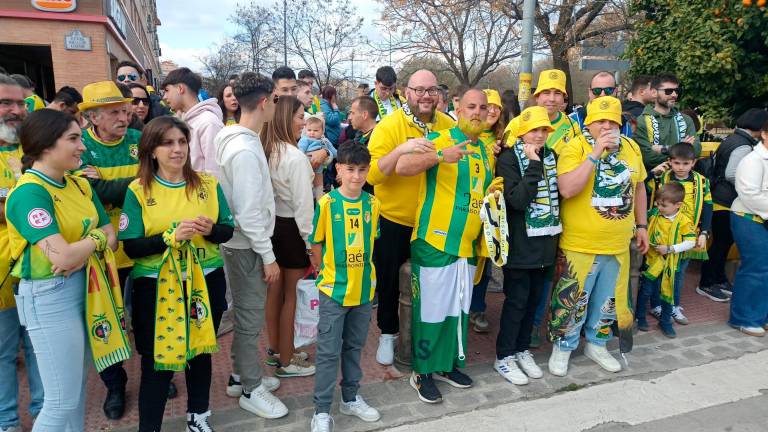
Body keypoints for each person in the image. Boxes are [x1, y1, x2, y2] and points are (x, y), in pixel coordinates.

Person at [119, 116, 233, 432]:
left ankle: (198, 417)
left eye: (182, 141)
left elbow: (227, 229)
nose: (177, 149)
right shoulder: (138, 190)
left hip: (205, 279)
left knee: (201, 351)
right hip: (156, 285)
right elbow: (132, 247)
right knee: (156, 361)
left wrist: (211, 230)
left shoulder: (208, 184)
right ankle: (150, 427)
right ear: (151, 150)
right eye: (167, 143)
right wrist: (167, 237)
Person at [7, 109, 118, 431]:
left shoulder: (79, 185)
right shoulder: (29, 193)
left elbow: (111, 236)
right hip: (49, 297)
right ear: (44, 144)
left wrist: (88, 242)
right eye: (73, 138)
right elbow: (65, 257)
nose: (82, 146)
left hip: (85, 289)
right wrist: (93, 240)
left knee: (76, 391)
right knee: (60, 402)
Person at [396, 88, 495, 404]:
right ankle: (422, 371)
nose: (477, 112)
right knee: (431, 311)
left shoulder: (485, 151)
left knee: (457, 310)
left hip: (466, 246)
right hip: (434, 241)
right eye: (471, 107)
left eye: (482, 107)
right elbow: (402, 167)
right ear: (457, 107)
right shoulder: (440, 138)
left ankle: (448, 365)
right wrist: (440, 156)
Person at [548, 96, 649, 377]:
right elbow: (567, 189)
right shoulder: (575, 147)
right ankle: (564, 346)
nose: (607, 126)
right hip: (581, 244)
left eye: (612, 121)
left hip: (617, 243)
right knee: (572, 300)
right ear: (588, 124)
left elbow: (639, 187)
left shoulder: (631, 147)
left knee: (608, 301)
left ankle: (598, 343)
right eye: (600, 121)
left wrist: (642, 225)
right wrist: (595, 153)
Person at [366, 69, 455, 366]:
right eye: (419, 90)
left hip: (434, 220)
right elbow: (373, 173)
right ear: (406, 92)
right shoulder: (389, 126)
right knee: (390, 282)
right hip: (395, 219)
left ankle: (424, 336)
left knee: (430, 283)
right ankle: (388, 334)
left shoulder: (447, 124)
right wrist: (401, 152)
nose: (426, 96)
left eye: (432, 90)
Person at [214, 72, 288, 419]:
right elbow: (247, 213)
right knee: (249, 316)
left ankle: (242, 373)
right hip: (246, 246)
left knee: (248, 313)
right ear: (264, 102)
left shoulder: (236, 137)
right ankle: (250, 388)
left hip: (243, 244)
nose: (277, 105)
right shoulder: (243, 148)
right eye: (274, 99)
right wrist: (268, 256)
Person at [77, 80, 142, 419]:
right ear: (93, 118)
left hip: (143, 246)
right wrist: (136, 184)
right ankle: (115, 386)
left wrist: (106, 185)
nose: (124, 116)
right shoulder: (79, 146)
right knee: (108, 322)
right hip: (104, 252)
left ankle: (156, 375)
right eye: (114, 112)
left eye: (125, 109)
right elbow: (89, 193)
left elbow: (157, 178)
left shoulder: (139, 139)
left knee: (148, 318)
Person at [309, 142, 382, 432]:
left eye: (362, 170)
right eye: (350, 169)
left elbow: (371, 242)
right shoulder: (327, 204)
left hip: (363, 293)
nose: (356, 176)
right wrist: (324, 274)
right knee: (328, 352)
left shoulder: (373, 204)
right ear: (338, 169)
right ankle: (321, 410)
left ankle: (350, 397)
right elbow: (316, 244)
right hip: (334, 292)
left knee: (354, 347)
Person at [494, 106, 558, 385]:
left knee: (534, 302)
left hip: (547, 241)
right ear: (522, 132)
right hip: (520, 243)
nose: (540, 135)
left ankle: (521, 350)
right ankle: (504, 356)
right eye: (535, 130)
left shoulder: (552, 157)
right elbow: (517, 200)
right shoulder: (508, 159)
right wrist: (533, 165)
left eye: (544, 129)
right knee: (517, 302)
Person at [260, 96, 316, 377]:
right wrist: (311, 244)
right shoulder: (293, 157)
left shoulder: (267, 150)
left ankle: (276, 349)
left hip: (273, 227)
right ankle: (287, 359)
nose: (304, 123)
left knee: (276, 292)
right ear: (285, 119)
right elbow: (304, 207)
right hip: (292, 229)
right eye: (300, 116)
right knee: (291, 295)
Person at [0, 74, 42, 432]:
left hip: (36, 268)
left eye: (21, 104)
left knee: (38, 349)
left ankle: (46, 416)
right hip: (1, 278)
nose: (16, 111)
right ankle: (7, 422)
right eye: (5, 103)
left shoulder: (30, 146)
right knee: (2, 352)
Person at [698, 108, 768, 301]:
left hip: (721, 198)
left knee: (723, 243)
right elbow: (731, 173)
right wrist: (749, 186)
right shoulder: (743, 145)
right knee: (721, 244)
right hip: (725, 201)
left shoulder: (734, 139)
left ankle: (718, 279)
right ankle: (707, 283)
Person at [648, 143, 711, 325]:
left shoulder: (701, 182)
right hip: (662, 233)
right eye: (676, 163)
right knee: (657, 271)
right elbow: (643, 186)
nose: (681, 168)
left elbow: (708, 207)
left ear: (693, 163)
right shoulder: (663, 178)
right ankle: (657, 305)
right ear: (669, 162)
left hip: (687, 236)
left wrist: (704, 232)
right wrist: (652, 173)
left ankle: (673, 305)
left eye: (685, 164)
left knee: (679, 272)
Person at [636, 182, 696, 338]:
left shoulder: (684, 221)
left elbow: (691, 242)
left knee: (667, 293)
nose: (659, 207)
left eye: (664, 205)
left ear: (678, 205)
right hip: (652, 263)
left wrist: (670, 248)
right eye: (658, 203)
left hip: (671, 264)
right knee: (646, 291)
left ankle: (665, 322)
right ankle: (640, 317)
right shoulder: (654, 214)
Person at [468, 88, 506, 333]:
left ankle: (478, 308)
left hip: (491, 210)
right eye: (485, 106)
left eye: (495, 106)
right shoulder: (467, 136)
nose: (490, 111)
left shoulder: (506, 140)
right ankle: (462, 306)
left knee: (485, 257)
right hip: (466, 207)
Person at [728, 121, 768, 337]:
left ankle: (762, 315)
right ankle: (744, 317)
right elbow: (750, 194)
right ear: (763, 134)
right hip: (749, 218)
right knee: (756, 268)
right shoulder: (752, 160)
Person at [162, 67, 224, 176]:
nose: (164, 96)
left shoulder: (209, 122)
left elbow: (215, 172)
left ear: (180, 88)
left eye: (167, 90)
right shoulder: (181, 120)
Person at [635, 73, 701, 173]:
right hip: (654, 182)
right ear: (654, 92)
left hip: (684, 182)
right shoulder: (641, 121)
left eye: (677, 91)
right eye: (668, 91)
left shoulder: (686, 120)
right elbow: (647, 157)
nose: (674, 95)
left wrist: (662, 149)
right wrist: (683, 149)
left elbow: (696, 150)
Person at [513, 70, 580, 155]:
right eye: (546, 93)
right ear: (537, 97)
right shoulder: (517, 124)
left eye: (557, 93)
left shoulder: (573, 126)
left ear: (564, 98)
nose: (552, 99)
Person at [569, 71, 633, 137]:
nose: (602, 95)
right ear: (590, 92)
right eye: (597, 90)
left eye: (608, 90)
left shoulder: (624, 124)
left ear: (615, 91)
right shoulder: (572, 120)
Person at [299, 116, 335, 199]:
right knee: (308, 182)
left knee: (319, 183)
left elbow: (334, 152)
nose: (312, 133)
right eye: (309, 130)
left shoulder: (325, 140)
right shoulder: (305, 139)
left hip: (320, 168)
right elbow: (300, 151)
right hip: (308, 164)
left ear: (322, 131)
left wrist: (329, 153)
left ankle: (319, 198)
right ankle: (310, 197)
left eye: (315, 130)